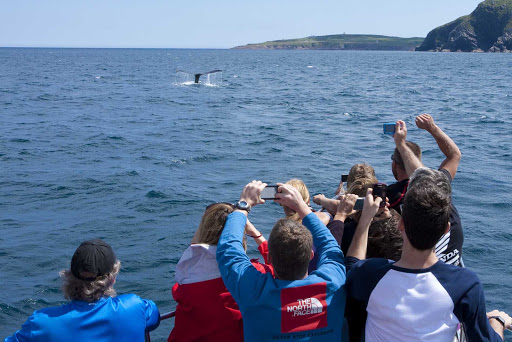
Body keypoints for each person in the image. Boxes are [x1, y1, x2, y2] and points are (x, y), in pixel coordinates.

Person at [345, 168, 511, 341]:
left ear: (400, 224)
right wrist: (497, 322)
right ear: (445, 229)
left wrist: (365, 218)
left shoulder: (369, 274)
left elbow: (351, 265)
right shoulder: (464, 284)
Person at [216, 181, 347, 341]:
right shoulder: (333, 283)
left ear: (269, 257)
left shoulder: (253, 292)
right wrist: (302, 207)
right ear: (311, 255)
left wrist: (244, 205)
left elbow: (228, 250)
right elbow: (330, 247)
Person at [5, 239, 160, 342]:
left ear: (69, 276)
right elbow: (154, 318)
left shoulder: (41, 322)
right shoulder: (135, 306)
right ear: (112, 278)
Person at [169, 202, 272, 342]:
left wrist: (207, 226)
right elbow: (276, 266)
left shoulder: (187, 277)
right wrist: (253, 231)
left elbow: (196, 248)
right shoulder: (251, 274)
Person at [394, 114, 464, 266]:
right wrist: (432, 127)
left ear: (402, 224)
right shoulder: (445, 202)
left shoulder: (390, 196)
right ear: (446, 228)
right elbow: (454, 155)